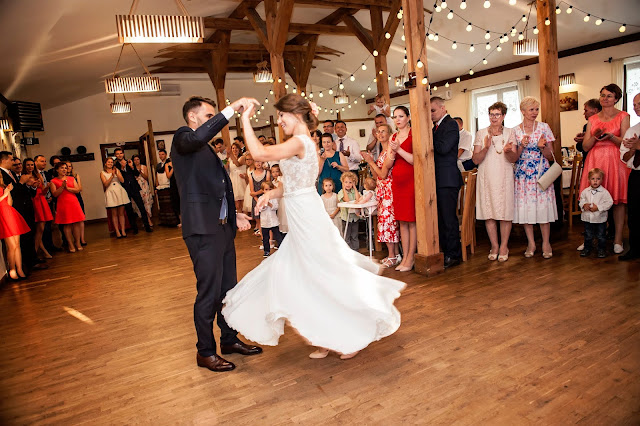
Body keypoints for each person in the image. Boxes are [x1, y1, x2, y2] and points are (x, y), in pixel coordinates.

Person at [222, 93, 405, 361]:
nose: (279, 121)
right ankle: (325, 336)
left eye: (282, 115)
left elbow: (260, 153)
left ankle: (349, 335)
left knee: (320, 274)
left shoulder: (299, 141)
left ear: (296, 114)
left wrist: (245, 119)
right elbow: (293, 185)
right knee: (308, 277)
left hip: (308, 216)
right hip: (300, 212)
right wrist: (269, 194)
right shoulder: (301, 141)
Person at [171, 95, 261, 373]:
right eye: (208, 115)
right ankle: (205, 352)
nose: (212, 120)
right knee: (209, 293)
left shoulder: (203, 148)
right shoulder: (183, 138)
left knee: (228, 291)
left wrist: (235, 215)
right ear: (192, 117)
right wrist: (231, 109)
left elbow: (217, 188)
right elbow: (198, 138)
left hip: (221, 228)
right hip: (202, 231)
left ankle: (229, 340)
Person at [579, 84, 630, 255]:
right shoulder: (593, 119)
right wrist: (595, 136)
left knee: (618, 201)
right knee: (592, 198)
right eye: (602, 95)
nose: (605, 99)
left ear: (616, 99)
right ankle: (589, 238)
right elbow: (585, 147)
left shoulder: (623, 116)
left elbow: (626, 142)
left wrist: (612, 137)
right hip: (595, 159)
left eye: (609, 96)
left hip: (615, 160)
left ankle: (618, 240)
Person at [512, 96, 558, 259]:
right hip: (523, 174)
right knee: (527, 208)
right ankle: (531, 243)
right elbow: (514, 157)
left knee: (543, 207)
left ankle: (546, 243)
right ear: (523, 111)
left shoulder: (544, 127)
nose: (534, 112)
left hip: (541, 172)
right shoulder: (515, 130)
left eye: (536, 109)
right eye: (531, 109)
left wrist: (542, 147)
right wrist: (521, 146)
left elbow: (550, 155)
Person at [472, 102, 517, 262]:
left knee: (505, 212)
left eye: (497, 114)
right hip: (487, 176)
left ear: (503, 116)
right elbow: (475, 160)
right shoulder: (481, 133)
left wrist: (508, 151)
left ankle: (504, 246)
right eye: (491, 114)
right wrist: (485, 147)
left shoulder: (510, 132)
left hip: (504, 175)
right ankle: (494, 245)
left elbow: (514, 158)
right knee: (489, 213)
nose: (494, 117)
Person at [430, 97, 463, 268]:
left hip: (448, 179)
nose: (431, 114)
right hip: (438, 178)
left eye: (433, 110)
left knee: (448, 218)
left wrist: (428, 136)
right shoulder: (435, 127)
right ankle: (445, 252)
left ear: (443, 108)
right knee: (441, 219)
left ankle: (453, 254)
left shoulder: (451, 124)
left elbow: (443, 148)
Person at [0, 151, 46, 272]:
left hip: (25, 208)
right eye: (11, 160)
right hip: (14, 210)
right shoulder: (2, 175)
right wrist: (21, 182)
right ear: (4, 160)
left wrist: (31, 186)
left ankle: (31, 260)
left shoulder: (11, 173)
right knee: (20, 241)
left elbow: (23, 192)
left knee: (29, 235)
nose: (13, 162)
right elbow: (13, 194)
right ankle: (25, 265)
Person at [362, 124, 400, 268]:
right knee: (386, 221)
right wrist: (370, 161)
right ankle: (394, 255)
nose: (380, 134)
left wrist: (371, 161)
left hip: (389, 189)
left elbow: (383, 174)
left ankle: (392, 255)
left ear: (390, 133)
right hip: (382, 190)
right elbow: (376, 175)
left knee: (388, 222)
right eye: (378, 132)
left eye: (383, 131)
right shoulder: (382, 151)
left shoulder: (390, 150)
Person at [386, 106, 416, 271]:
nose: (397, 119)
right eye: (395, 116)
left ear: (408, 117)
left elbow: (415, 160)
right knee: (402, 221)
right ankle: (404, 257)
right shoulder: (393, 136)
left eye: (401, 116)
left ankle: (411, 257)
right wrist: (391, 153)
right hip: (397, 181)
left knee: (411, 220)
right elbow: (389, 162)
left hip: (411, 180)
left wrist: (398, 149)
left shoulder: (414, 134)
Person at [619, 92, 640, 260]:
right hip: (636, 175)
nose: (636, 107)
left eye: (639, 104)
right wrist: (633, 149)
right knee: (634, 213)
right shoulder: (632, 131)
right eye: (634, 104)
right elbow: (624, 158)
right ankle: (635, 249)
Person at [49, 162, 85, 252]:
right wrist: (62, 187)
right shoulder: (53, 181)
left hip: (73, 202)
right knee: (67, 224)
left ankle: (77, 242)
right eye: (62, 168)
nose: (64, 170)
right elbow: (54, 194)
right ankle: (70, 244)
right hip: (63, 204)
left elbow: (77, 190)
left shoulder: (71, 178)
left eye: (65, 168)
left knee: (76, 223)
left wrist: (68, 189)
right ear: (57, 170)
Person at [579, 168, 613, 258]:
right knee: (588, 234)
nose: (595, 181)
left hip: (600, 218)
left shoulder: (604, 192)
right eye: (593, 179)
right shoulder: (585, 191)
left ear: (601, 180)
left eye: (598, 179)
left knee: (601, 235)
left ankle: (601, 249)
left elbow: (609, 203)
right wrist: (584, 205)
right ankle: (587, 248)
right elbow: (581, 200)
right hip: (588, 218)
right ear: (589, 180)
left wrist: (598, 207)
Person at [0, 176, 30, 280]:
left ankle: (19, 269)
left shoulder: (3, 187)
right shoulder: (4, 190)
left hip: (10, 214)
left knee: (17, 244)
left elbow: (9, 203)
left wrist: (8, 192)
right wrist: (6, 193)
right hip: (2, 216)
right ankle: (12, 270)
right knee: (11, 246)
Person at [26, 159, 54, 259]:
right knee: (39, 229)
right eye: (28, 165)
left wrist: (47, 187)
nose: (30, 167)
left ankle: (40, 251)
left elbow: (42, 191)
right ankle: (36, 252)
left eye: (32, 165)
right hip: (34, 201)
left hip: (41, 199)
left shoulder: (37, 175)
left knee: (41, 229)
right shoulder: (24, 177)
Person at [100, 158, 130, 238]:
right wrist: (112, 176)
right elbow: (105, 184)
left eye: (111, 162)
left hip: (119, 190)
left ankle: (123, 230)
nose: (110, 163)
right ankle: (117, 231)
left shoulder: (116, 170)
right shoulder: (102, 173)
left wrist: (117, 173)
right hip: (110, 192)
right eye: (108, 162)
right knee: (114, 214)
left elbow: (122, 180)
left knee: (121, 213)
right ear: (105, 163)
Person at [258, 181, 284, 258]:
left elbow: (276, 207)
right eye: (266, 189)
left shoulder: (274, 198)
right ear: (263, 190)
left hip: (273, 221)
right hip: (265, 222)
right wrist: (263, 206)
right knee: (265, 238)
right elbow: (259, 209)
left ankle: (282, 248)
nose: (268, 191)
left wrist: (269, 204)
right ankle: (266, 251)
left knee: (278, 236)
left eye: (270, 189)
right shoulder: (261, 198)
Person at [337, 171, 361, 251]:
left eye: (350, 182)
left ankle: (356, 251)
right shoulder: (341, 192)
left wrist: (355, 188)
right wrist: (344, 188)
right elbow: (347, 200)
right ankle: (348, 251)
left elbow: (358, 199)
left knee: (354, 236)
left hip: (354, 218)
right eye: (346, 182)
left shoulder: (355, 192)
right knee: (346, 236)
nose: (348, 184)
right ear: (342, 182)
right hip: (346, 218)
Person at [155, 149, 179, 226]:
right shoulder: (158, 165)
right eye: (159, 154)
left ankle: (174, 221)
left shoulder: (168, 163)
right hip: (161, 186)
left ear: (166, 155)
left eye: (162, 154)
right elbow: (157, 175)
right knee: (163, 205)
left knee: (170, 204)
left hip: (169, 185)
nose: (161, 156)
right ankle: (165, 221)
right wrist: (156, 186)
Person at [66, 161, 87, 246]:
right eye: (66, 166)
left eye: (70, 166)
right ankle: (74, 240)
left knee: (80, 218)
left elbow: (80, 188)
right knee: (71, 221)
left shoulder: (75, 176)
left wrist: (68, 189)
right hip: (67, 199)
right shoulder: (61, 178)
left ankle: (82, 239)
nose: (68, 168)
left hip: (77, 198)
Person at [248, 160, 270, 235]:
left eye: (260, 161)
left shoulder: (267, 173)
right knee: (258, 219)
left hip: (265, 197)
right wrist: (257, 200)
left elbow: (267, 187)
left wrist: (256, 194)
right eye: (256, 162)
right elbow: (252, 190)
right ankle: (262, 236)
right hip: (256, 199)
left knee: (267, 219)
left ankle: (268, 237)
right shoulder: (251, 175)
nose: (258, 163)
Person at [131, 154, 153, 222]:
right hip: (136, 186)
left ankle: (149, 219)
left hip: (144, 186)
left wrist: (140, 172)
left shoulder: (144, 167)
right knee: (139, 204)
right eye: (135, 160)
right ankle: (144, 219)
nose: (136, 161)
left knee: (146, 202)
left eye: (138, 159)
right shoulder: (132, 168)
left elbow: (146, 177)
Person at [227, 142, 247, 213]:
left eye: (236, 148)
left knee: (243, 203)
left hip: (241, 180)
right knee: (237, 204)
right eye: (233, 148)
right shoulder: (229, 159)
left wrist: (231, 155)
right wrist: (226, 157)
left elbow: (237, 164)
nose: (234, 150)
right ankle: (239, 215)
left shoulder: (242, 157)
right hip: (233, 180)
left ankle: (246, 216)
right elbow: (225, 166)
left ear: (239, 149)